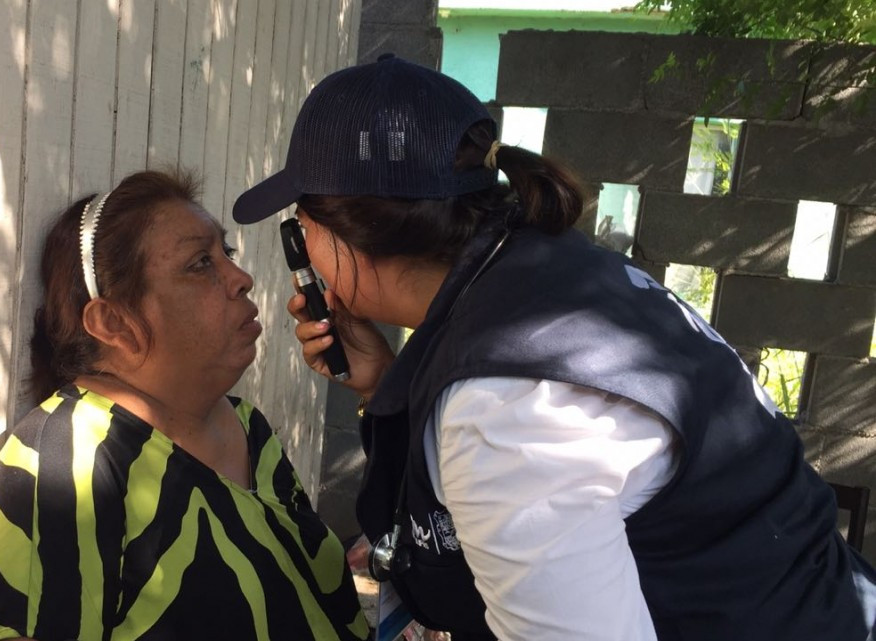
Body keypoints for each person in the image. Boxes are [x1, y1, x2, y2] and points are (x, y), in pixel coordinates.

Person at [232, 54, 876, 641]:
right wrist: (386, 384)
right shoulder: (552, 273)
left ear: (347, 230)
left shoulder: (510, 414)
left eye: (299, 225)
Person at [0, 169, 369, 641]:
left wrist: (378, 388)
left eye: (224, 254)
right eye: (200, 264)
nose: (242, 278)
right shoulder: (66, 464)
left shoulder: (249, 426)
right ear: (114, 322)